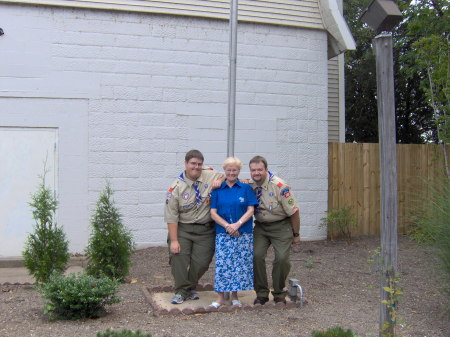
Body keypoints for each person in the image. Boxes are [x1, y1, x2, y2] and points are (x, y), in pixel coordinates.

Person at [164, 149, 224, 304]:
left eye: (199, 164)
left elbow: (226, 175)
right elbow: (171, 216)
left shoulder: (209, 175)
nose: (196, 167)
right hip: (183, 229)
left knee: (202, 263)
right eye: (193, 164)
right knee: (179, 260)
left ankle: (188, 288)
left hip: (205, 230)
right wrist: (174, 240)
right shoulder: (175, 188)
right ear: (185, 164)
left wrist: (220, 180)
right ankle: (181, 291)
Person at [248, 155, 301, 305]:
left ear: (266, 170)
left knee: (282, 259)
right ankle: (261, 293)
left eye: (259, 170)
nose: (256, 173)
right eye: (253, 170)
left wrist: (296, 234)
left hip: (281, 226)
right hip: (261, 227)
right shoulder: (250, 185)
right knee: (256, 256)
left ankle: (278, 292)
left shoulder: (280, 186)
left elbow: (294, 211)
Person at [209, 157, 258, 308]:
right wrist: (228, 226)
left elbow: (251, 209)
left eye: (234, 170)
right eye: (228, 170)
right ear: (224, 171)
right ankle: (220, 297)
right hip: (223, 232)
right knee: (223, 264)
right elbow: (213, 213)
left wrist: (237, 225)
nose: (231, 172)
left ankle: (235, 296)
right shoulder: (218, 189)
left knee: (238, 264)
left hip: (243, 232)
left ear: (238, 171)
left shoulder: (246, 188)